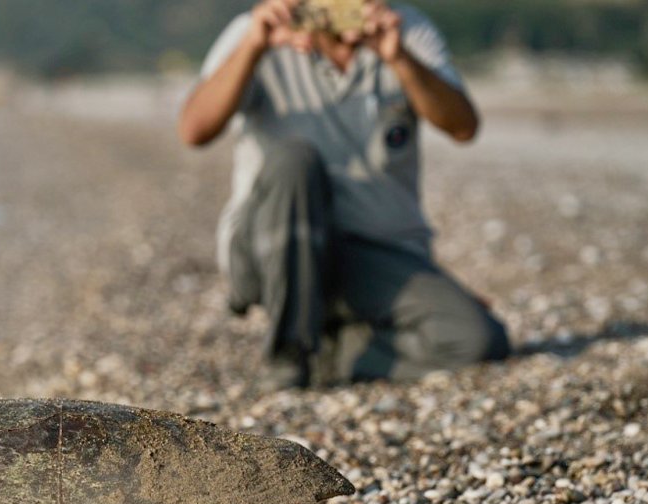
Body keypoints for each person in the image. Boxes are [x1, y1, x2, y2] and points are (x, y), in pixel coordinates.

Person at [178, 0, 510, 390]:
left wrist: (400, 58)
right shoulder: (252, 31)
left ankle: (336, 353)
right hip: (273, 245)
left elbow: (463, 127)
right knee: (294, 159)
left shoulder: (407, 29)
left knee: (476, 337)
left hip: (371, 255)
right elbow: (193, 130)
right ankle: (288, 356)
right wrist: (253, 47)